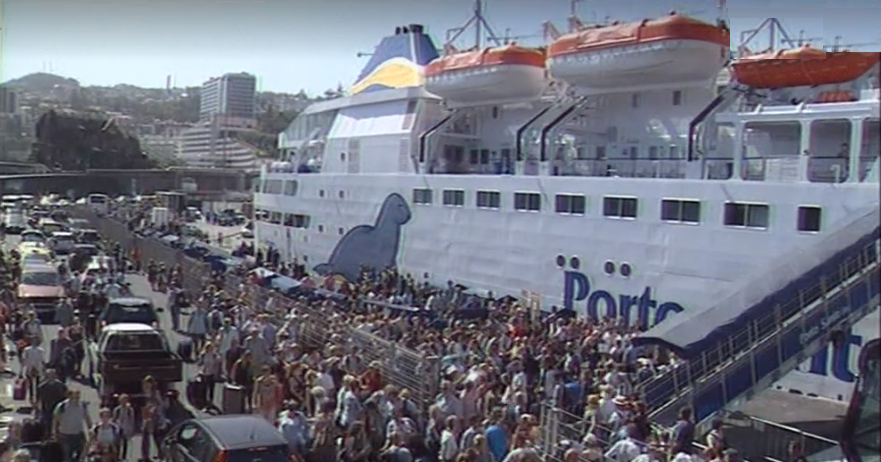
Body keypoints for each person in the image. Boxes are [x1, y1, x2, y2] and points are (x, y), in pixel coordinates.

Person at [53, 390, 92, 462]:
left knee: (80, 457)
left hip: (79, 435)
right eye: (74, 395)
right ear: (69, 396)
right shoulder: (62, 406)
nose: (76, 398)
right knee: (67, 457)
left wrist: (91, 430)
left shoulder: (82, 406)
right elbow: (55, 420)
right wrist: (55, 433)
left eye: (78, 395)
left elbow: (87, 418)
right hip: (65, 436)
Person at [36, 369, 68, 434]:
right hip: (46, 409)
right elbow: (38, 399)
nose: (51, 377)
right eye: (49, 375)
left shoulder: (61, 386)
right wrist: (38, 410)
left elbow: (66, 398)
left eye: (53, 375)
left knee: (58, 426)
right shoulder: (42, 387)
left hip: (58, 409)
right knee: (46, 426)